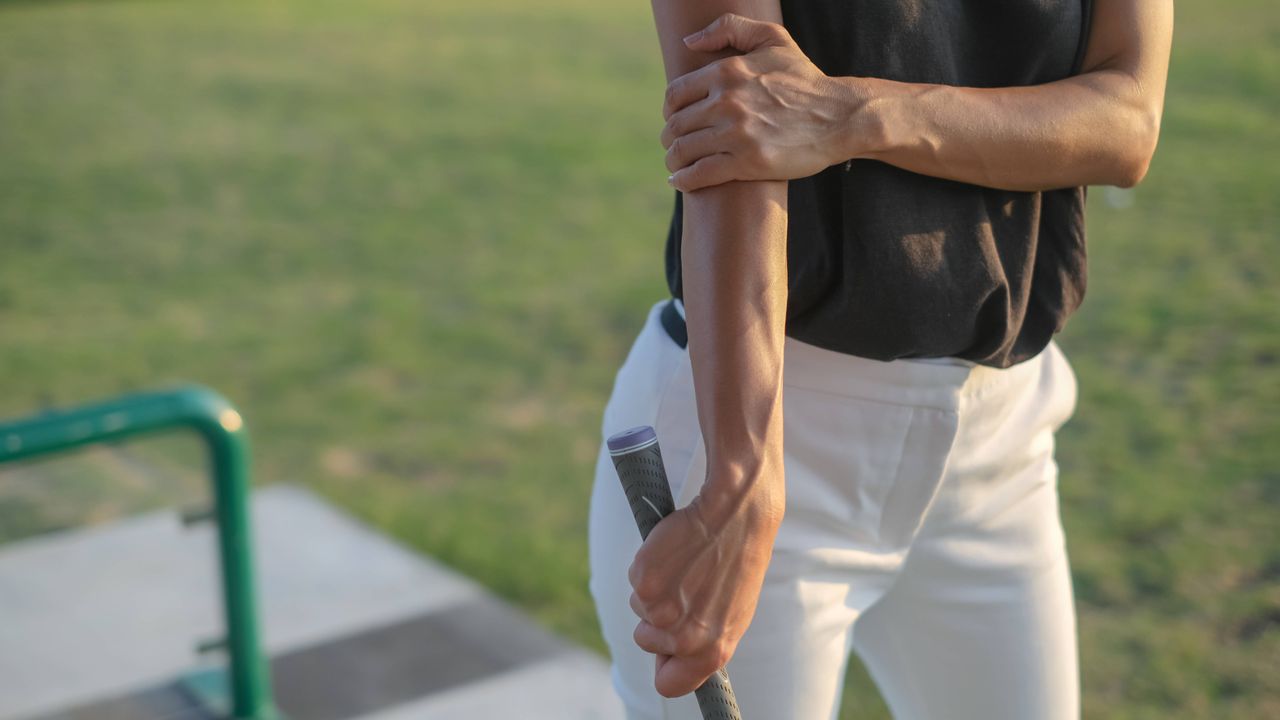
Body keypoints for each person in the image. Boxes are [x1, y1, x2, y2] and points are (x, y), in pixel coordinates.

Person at [588, 1, 1173, 718]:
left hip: (1002, 447)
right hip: (760, 429)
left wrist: (853, 114)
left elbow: (1128, 119)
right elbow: (732, 129)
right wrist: (743, 475)